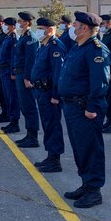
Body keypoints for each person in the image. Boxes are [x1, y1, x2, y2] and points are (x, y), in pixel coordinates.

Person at [58, 11, 110, 208]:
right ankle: (86, 184)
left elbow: (100, 82)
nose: (72, 28)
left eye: (76, 25)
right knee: (80, 148)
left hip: (85, 108)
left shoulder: (96, 50)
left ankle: (94, 190)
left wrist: (92, 107)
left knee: (90, 149)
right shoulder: (78, 47)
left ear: (85, 28)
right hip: (72, 106)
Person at [30, 17, 66, 172]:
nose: (38, 31)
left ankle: (55, 160)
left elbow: (58, 73)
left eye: (41, 28)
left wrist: (56, 95)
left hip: (50, 93)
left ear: (51, 30)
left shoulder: (55, 46)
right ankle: (50, 156)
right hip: (41, 91)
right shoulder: (43, 45)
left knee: (53, 125)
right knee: (47, 124)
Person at [14, 11, 40, 148]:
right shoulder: (23, 37)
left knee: (29, 106)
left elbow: (31, 61)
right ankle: (29, 135)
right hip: (20, 74)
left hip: (25, 75)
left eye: (20, 21)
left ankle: (33, 137)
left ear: (26, 22)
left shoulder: (31, 38)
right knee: (24, 106)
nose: (18, 23)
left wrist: (27, 78)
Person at [0, 17, 21, 133]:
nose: (4, 26)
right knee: (7, 96)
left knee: (12, 97)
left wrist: (12, 72)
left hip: (8, 71)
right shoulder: (8, 37)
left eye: (6, 24)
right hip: (3, 71)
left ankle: (15, 123)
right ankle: (10, 119)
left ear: (12, 26)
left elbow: (13, 57)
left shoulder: (14, 38)